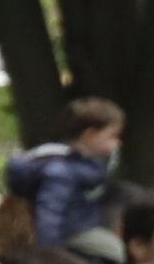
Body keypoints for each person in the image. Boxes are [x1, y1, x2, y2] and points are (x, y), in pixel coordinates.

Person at [9, 101, 125, 252]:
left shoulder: (88, 168)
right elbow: (50, 214)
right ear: (90, 135)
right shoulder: (62, 172)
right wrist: (51, 253)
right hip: (69, 234)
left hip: (81, 226)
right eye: (113, 136)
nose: (118, 143)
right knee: (112, 249)